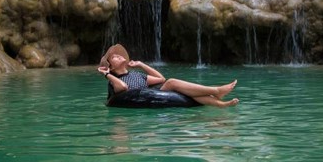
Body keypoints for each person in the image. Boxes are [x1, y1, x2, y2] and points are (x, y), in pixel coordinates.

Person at [98, 44, 239, 108]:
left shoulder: (137, 75)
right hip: (140, 98)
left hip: (153, 93)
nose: (118, 56)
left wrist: (142, 64)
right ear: (111, 67)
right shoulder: (114, 82)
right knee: (171, 82)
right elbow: (123, 87)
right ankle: (216, 91)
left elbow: (160, 79)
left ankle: (220, 104)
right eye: (114, 58)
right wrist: (107, 74)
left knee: (180, 88)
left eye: (118, 54)